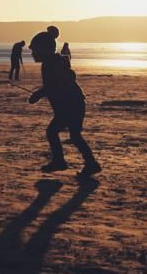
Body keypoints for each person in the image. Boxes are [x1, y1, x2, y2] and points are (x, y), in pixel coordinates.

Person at [27, 25, 101, 177]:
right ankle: (89, 163)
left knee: (55, 132)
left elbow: (55, 84)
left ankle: (61, 161)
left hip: (71, 105)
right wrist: (42, 93)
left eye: (34, 50)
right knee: (73, 135)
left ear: (45, 49)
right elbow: (54, 85)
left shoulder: (52, 63)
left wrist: (39, 94)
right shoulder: (52, 62)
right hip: (73, 104)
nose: (32, 53)